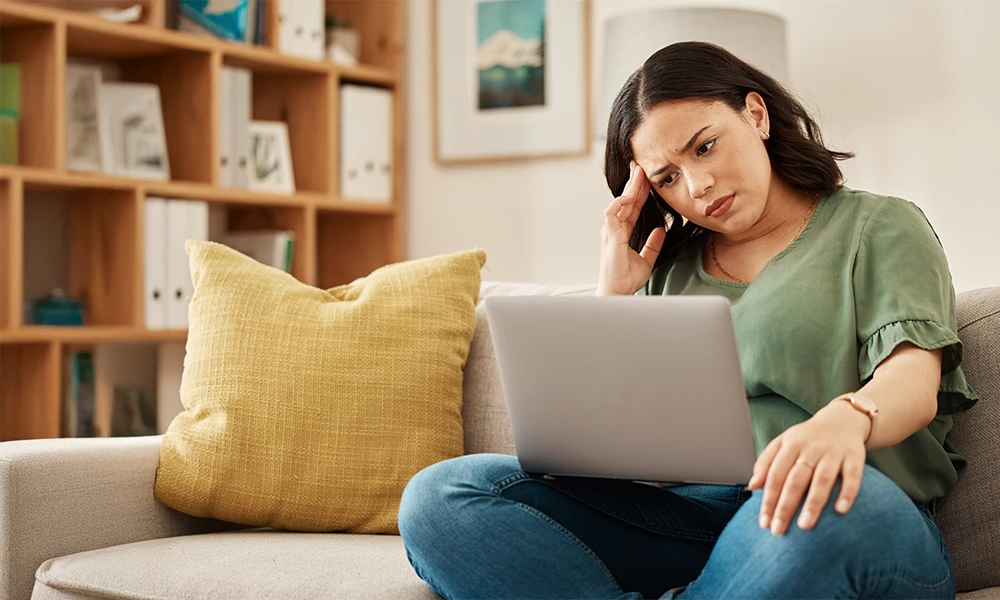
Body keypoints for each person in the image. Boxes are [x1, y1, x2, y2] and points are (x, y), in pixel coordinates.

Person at [397, 41, 979, 599]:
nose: (698, 187)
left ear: (756, 114)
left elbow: (913, 381)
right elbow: (606, 445)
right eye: (668, 177)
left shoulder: (879, 227)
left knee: (822, 504)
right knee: (441, 496)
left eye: (705, 147)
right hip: (693, 526)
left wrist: (846, 419)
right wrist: (613, 297)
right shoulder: (666, 272)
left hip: (846, 515)